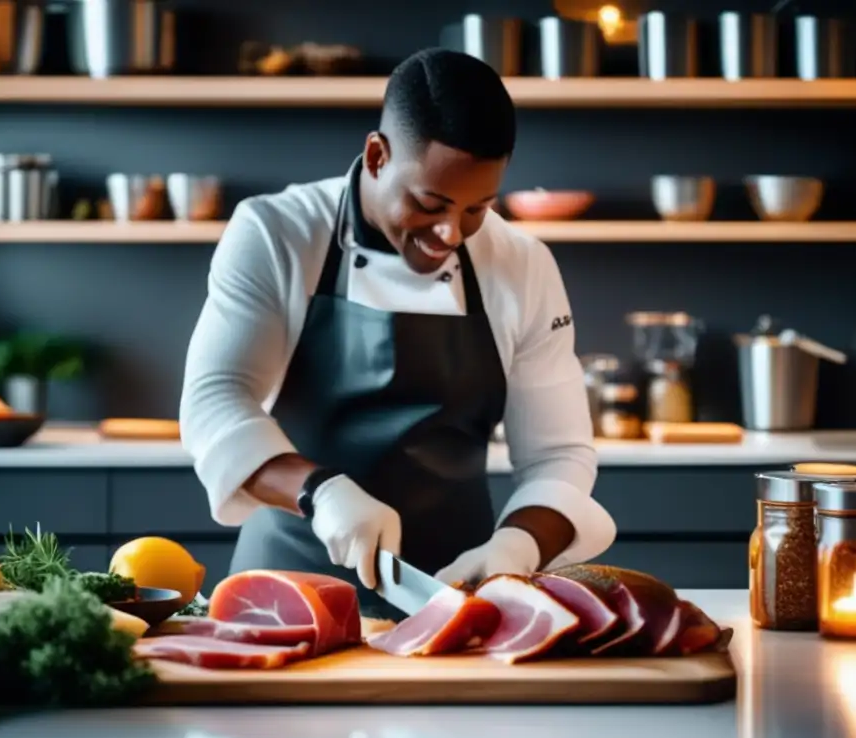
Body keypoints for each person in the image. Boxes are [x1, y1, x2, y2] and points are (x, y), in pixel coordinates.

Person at [179, 47, 616, 620]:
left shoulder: (523, 264)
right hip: (285, 594)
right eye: (428, 203)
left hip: (455, 599)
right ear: (378, 155)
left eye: (477, 209)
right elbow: (216, 398)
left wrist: (519, 546)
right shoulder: (277, 233)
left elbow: (559, 453)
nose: (450, 233)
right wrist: (322, 493)